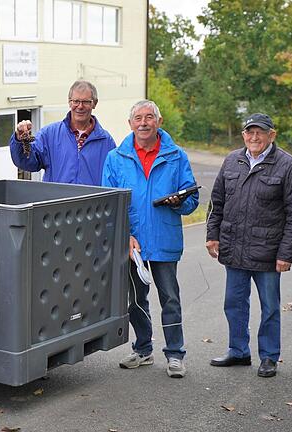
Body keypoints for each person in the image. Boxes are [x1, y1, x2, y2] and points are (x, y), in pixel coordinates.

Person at [102, 100, 199, 378]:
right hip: (132, 245)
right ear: (130, 123)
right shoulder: (116, 158)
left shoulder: (176, 156)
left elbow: (192, 198)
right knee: (134, 300)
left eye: (149, 117)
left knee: (170, 298)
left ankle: (175, 354)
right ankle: (143, 350)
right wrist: (125, 236)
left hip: (164, 239)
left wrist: (178, 202)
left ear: (159, 121)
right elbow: (109, 205)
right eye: (137, 118)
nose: (143, 123)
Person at [206, 113, 292, 378]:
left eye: (260, 132)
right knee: (234, 303)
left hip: (268, 253)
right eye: (250, 132)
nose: (254, 137)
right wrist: (212, 235)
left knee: (269, 307)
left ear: (272, 135)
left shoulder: (288, 166)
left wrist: (287, 253)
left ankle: (269, 356)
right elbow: (216, 202)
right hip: (234, 249)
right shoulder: (232, 160)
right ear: (243, 134)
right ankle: (238, 351)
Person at [10, 80, 116, 186]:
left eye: (86, 102)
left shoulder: (106, 141)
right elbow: (26, 162)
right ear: (69, 102)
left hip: (92, 202)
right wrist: (19, 140)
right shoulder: (49, 135)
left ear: (94, 103)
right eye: (76, 101)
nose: (80, 106)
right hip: (58, 201)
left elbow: (114, 179)